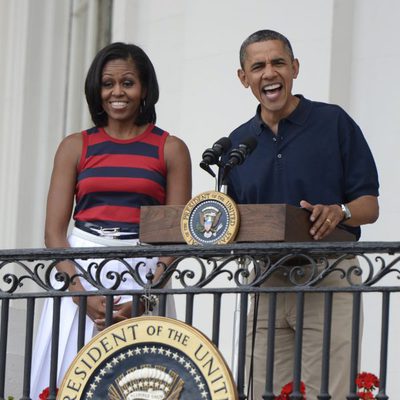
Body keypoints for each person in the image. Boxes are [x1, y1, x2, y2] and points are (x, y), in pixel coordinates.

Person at [30, 42, 192, 397]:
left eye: (128, 82)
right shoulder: (75, 146)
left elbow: (177, 234)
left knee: (143, 384)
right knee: (67, 380)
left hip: (145, 272)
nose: (117, 92)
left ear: (145, 88)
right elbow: (54, 232)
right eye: (108, 83)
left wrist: (146, 293)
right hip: (79, 270)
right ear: (97, 89)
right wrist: (80, 294)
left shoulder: (171, 148)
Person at [224, 30, 379, 399]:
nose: (269, 73)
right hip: (268, 282)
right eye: (257, 66)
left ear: (294, 68)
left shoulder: (333, 122)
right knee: (262, 392)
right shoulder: (238, 143)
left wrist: (339, 211)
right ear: (243, 78)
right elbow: (236, 219)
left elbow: (369, 206)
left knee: (328, 392)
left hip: (328, 274)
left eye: (278, 62)